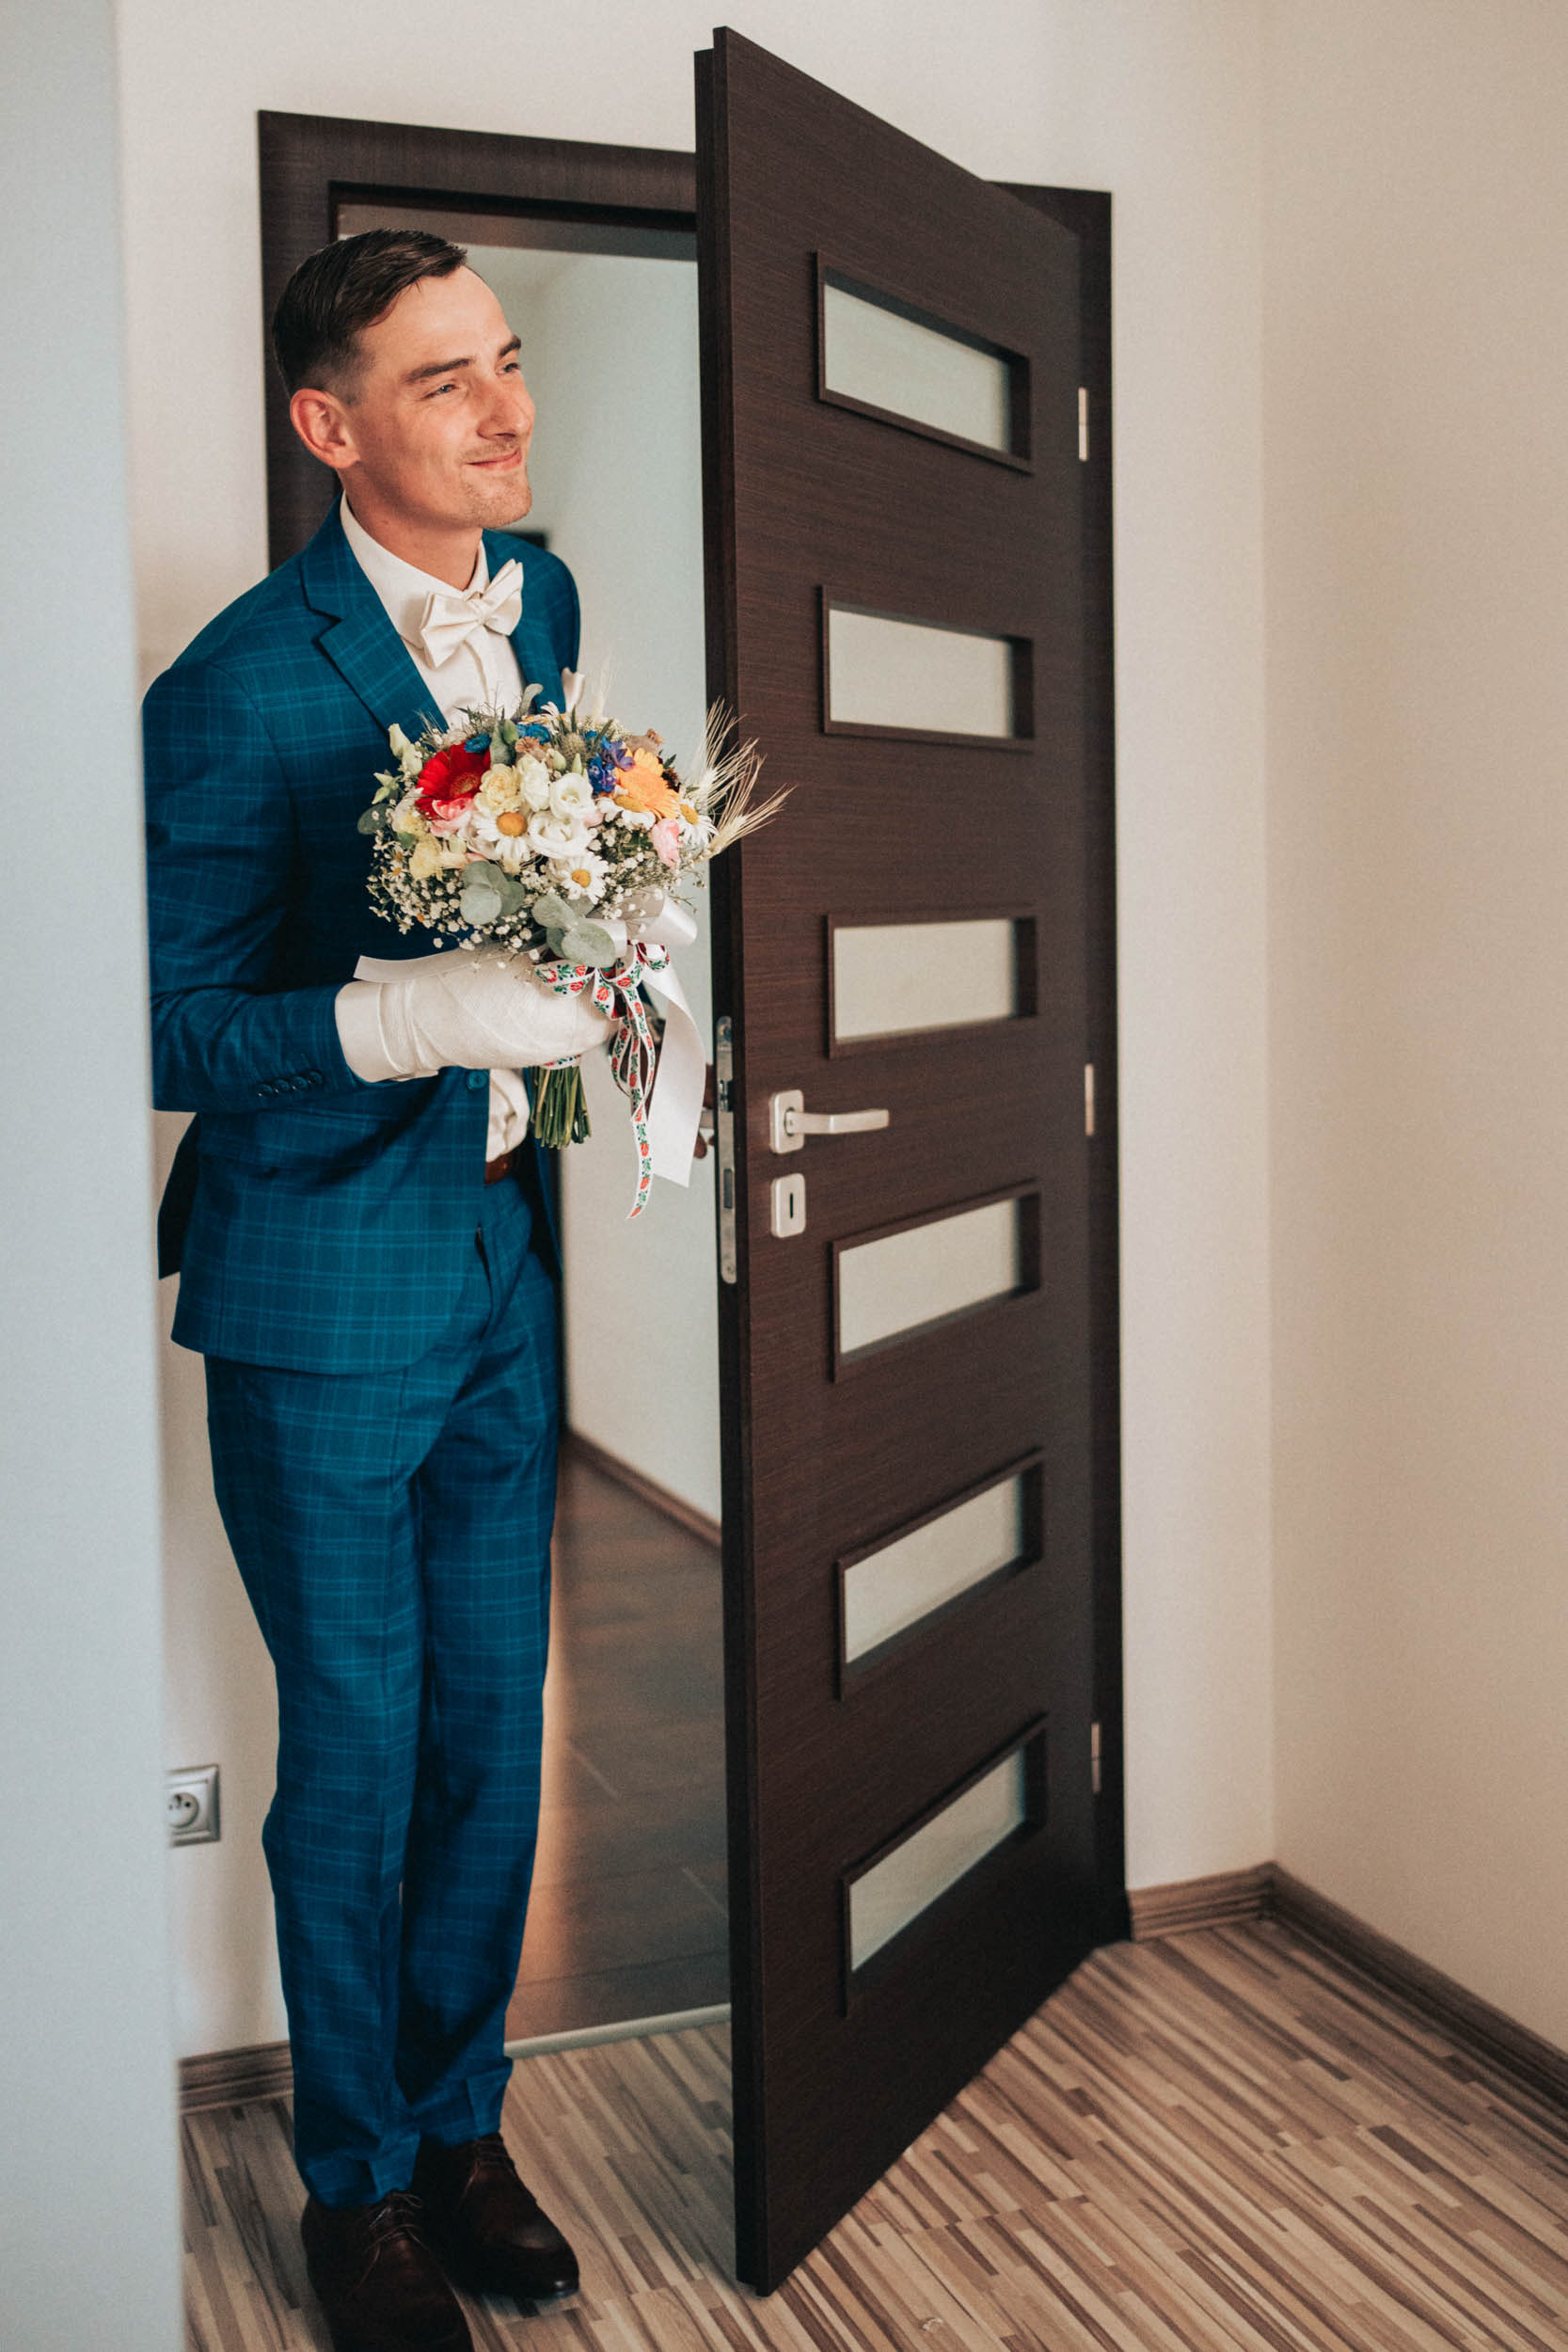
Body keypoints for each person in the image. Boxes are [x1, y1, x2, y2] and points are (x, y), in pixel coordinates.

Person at [145, 229, 616, 2352]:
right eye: (446, 381)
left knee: (494, 1749)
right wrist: (403, 1014)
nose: (507, 410)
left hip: (504, 1259)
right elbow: (155, 1030)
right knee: (356, 1755)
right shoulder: (236, 686)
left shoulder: (550, 604)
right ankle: (355, 2190)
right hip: (320, 1297)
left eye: (506, 360)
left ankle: (459, 2127)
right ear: (329, 426)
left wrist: (612, 988)